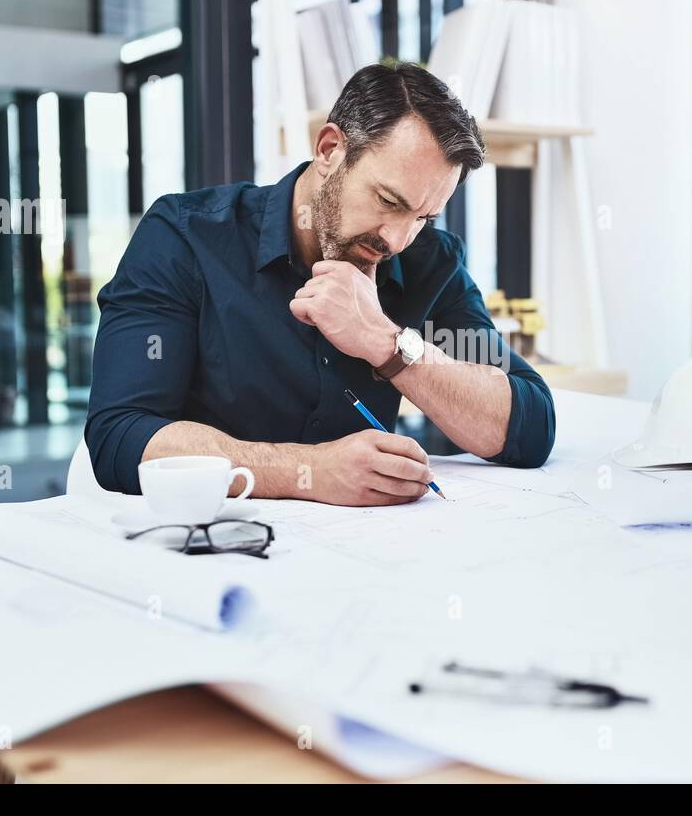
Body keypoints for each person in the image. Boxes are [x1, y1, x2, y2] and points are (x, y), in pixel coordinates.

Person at [85, 62, 554, 506]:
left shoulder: (430, 260)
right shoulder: (186, 237)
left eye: (422, 218)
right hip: (213, 547)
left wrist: (387, 343)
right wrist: (309, 471)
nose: (396, 238)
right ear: (330, 149)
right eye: (388, 200)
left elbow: (530, 428)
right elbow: (120, 436)